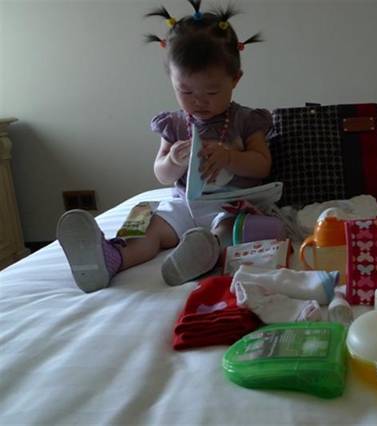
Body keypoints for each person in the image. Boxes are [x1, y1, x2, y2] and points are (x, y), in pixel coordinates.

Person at [57, 1, 272, 292]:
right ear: (171, 79)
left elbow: (262, 165)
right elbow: (161, 174)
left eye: (211, 91)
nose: (199, 101)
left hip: (230, 204)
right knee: (151, 226)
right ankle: (111, 259)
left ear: (235, 79)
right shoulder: (174, 124)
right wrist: (172, 160)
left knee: (230, 228)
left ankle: (202, 253)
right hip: (185, 204)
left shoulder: (246, 120)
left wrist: (231, 158)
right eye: (186, 91)